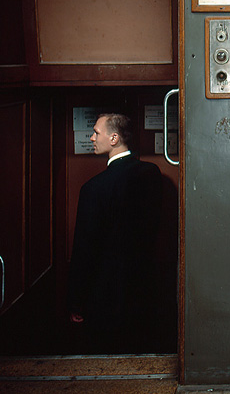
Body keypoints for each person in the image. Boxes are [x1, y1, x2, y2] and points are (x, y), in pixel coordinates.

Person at [68, 113, 163, 352]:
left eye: (96, 133)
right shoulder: (152, 173)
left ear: (114, 138)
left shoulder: (93, 189)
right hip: (145, 287)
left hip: (105, 294)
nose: (92, 138)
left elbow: (83, 250)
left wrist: (77, 302)